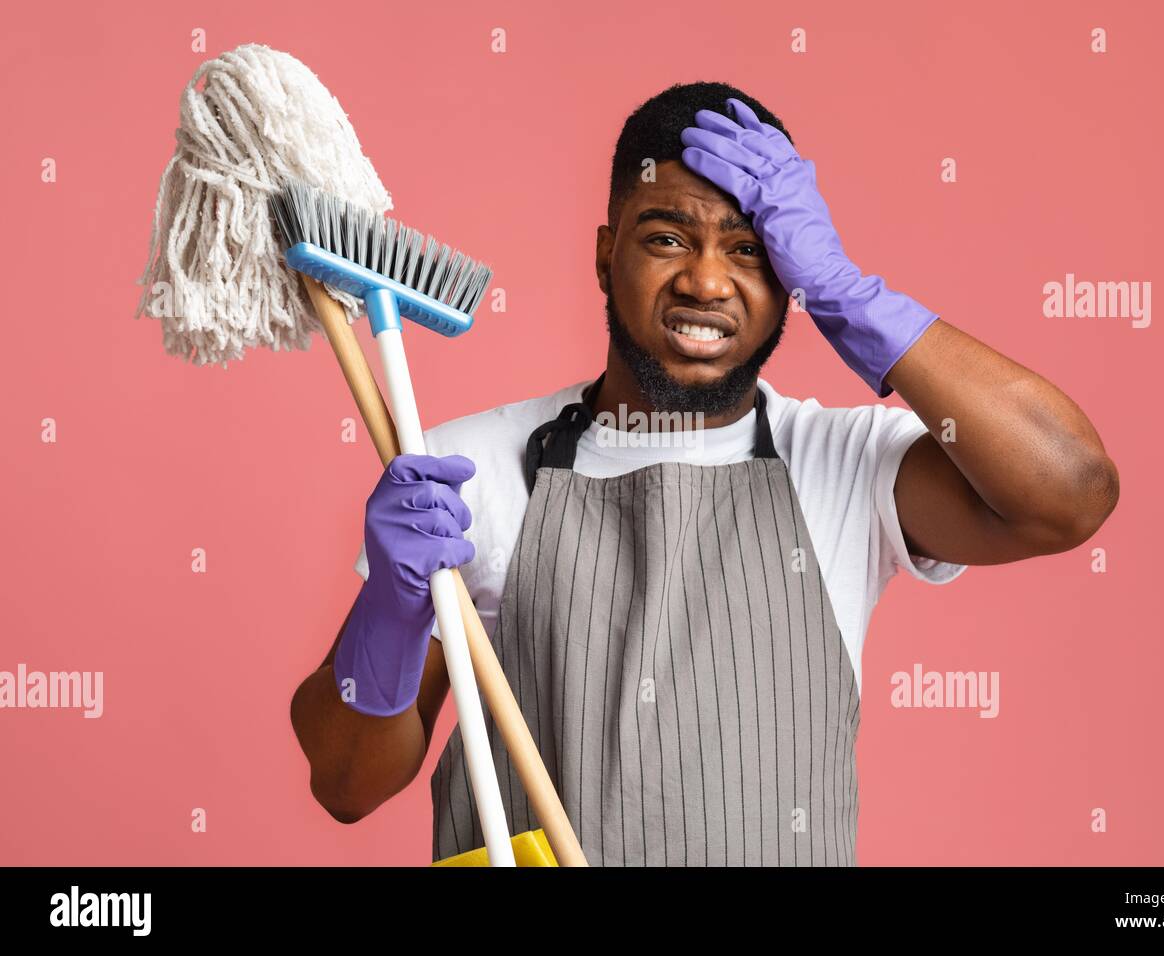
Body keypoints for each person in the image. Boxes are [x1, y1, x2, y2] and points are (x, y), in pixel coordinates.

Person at [289, 82, 1119, 867]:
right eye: (667, 238)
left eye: (752, 249)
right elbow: (347, 786)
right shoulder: (464, 472)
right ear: (606, 254)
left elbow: (1071, 491)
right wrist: (389, 614)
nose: (708, 281)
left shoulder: (848, 463)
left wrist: (848, 294)